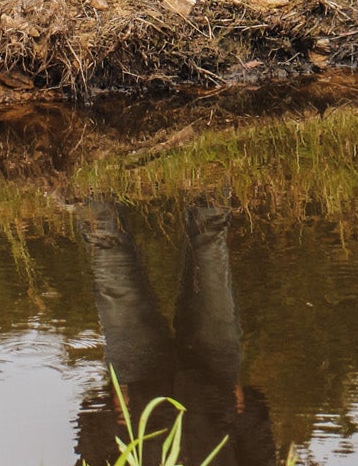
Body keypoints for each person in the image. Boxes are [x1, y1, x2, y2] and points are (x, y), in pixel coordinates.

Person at [74, 197, 277, 466]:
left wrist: (113, 417)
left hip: (137, 379)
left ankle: (82, 168)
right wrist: (240, 411)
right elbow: (263, 454)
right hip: (214, 377)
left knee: (106, 240)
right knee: (210, 231)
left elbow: (89, 450)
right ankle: (207, 164)